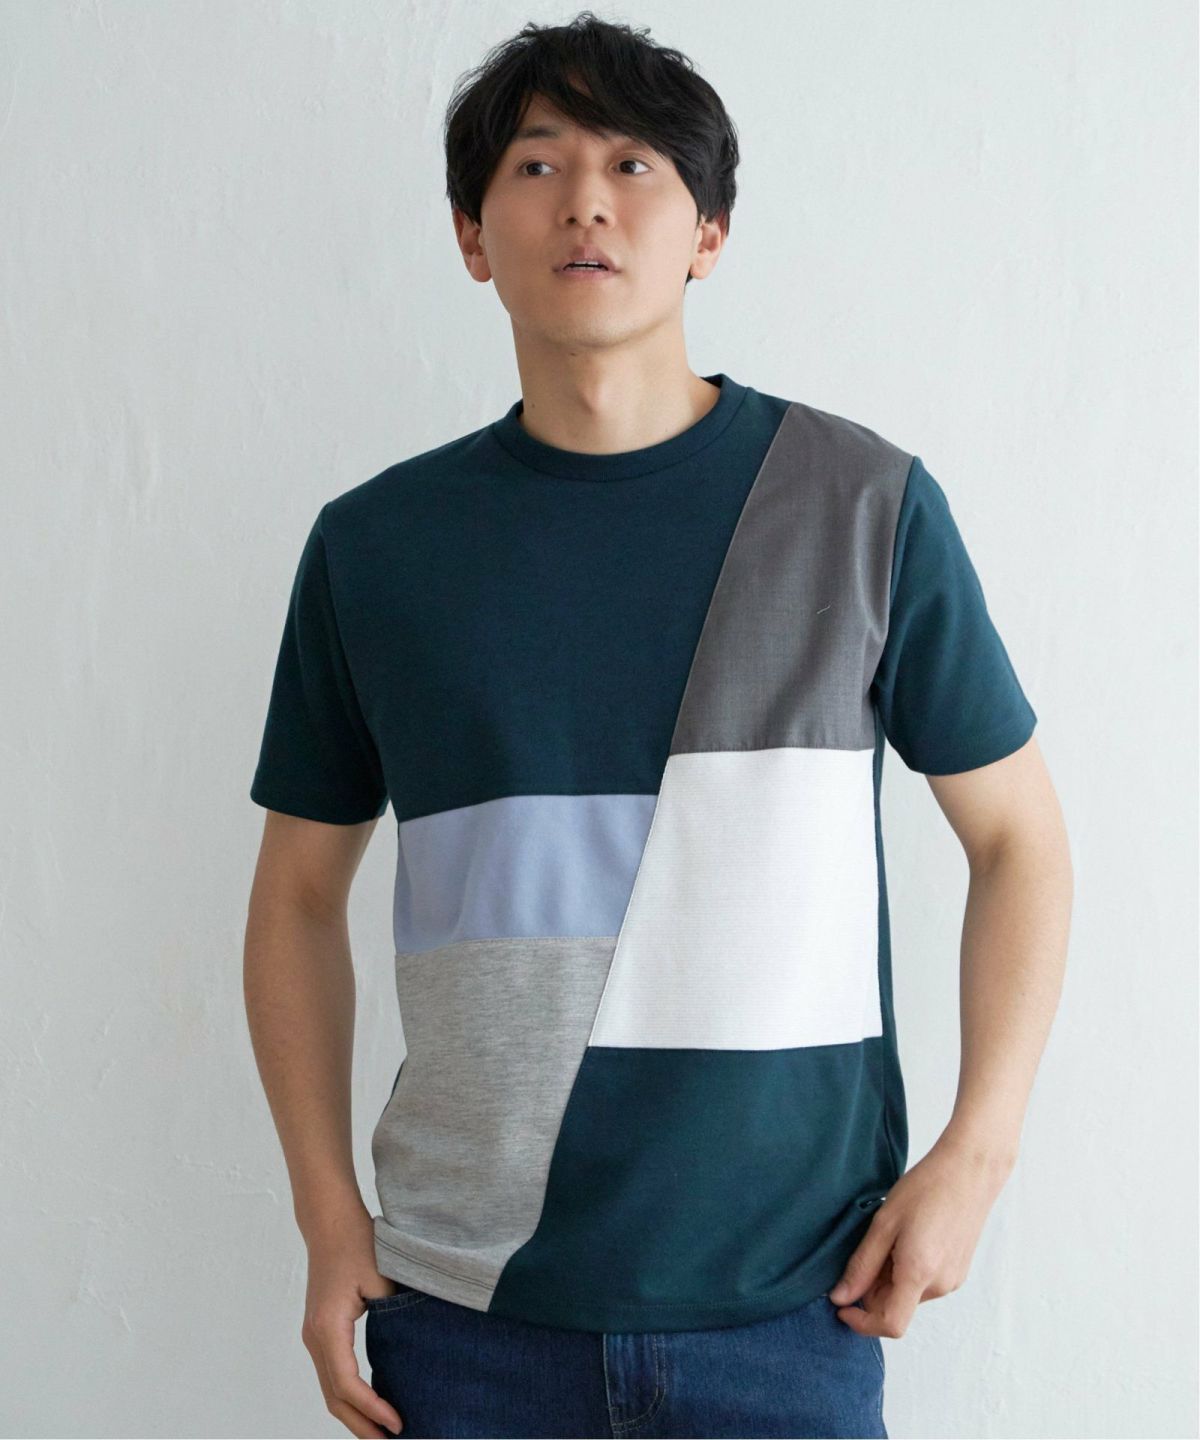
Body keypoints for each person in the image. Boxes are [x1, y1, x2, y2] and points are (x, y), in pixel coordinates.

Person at [243, 11, 1073, 1439]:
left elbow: (1022, 846)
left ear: (709, 233)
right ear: (471, 234)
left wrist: (976, 1156)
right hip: (463, 1316)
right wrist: (328, 1221)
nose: (585, 200)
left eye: (635, 165)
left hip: (791, 1313)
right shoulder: (377, 548)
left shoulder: (861, 508)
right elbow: (295, 900)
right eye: (537, 164)